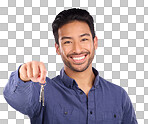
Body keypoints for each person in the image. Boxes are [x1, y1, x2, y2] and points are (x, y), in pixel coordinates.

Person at [3, 8, 138, 124]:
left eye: (84, 39)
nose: (77, 49)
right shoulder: (43, 91)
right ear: (58, 48)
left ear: (95, 42)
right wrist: (23, 76)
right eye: (68, 42)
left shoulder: (118, 95)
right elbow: (16, 99)